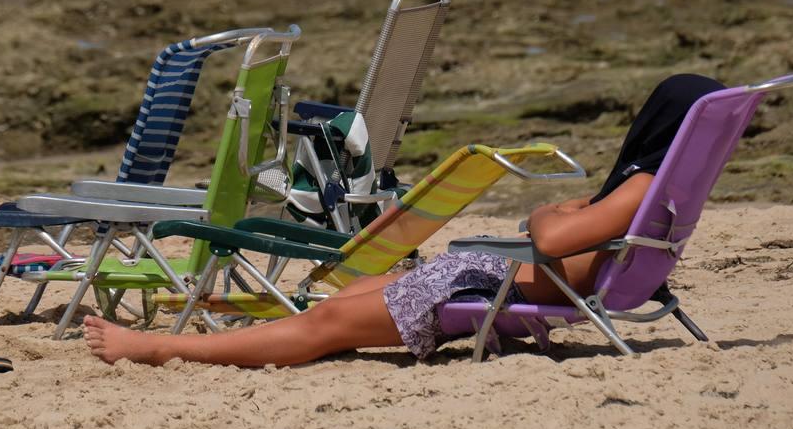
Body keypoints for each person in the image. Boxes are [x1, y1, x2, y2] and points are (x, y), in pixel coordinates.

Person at [84, 73, 724, 367]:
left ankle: (161, 347)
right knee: (352, 298)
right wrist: (562, 215)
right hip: (496, 275)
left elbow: (554, 235)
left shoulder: (640, 186)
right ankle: (225, 340)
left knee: (330, 323)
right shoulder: (669, 190)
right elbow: (575, 234)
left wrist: (545, 210)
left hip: (493, 286)